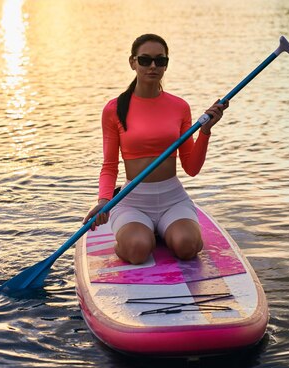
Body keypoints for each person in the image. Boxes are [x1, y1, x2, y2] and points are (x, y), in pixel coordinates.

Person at [83, 33, 228, 265]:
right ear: (132, 62)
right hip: (133, 200)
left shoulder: (179, 106)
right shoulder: (114, 109)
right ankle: (142, 235)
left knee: (187, 247)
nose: (153, 66)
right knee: (137, 250)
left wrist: (205, 132)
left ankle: (165, 232)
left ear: (166, 65)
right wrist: (103, 200)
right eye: (145, 60)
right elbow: (109, 166)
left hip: (172, 198)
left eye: (160, 61)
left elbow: (191, 168)